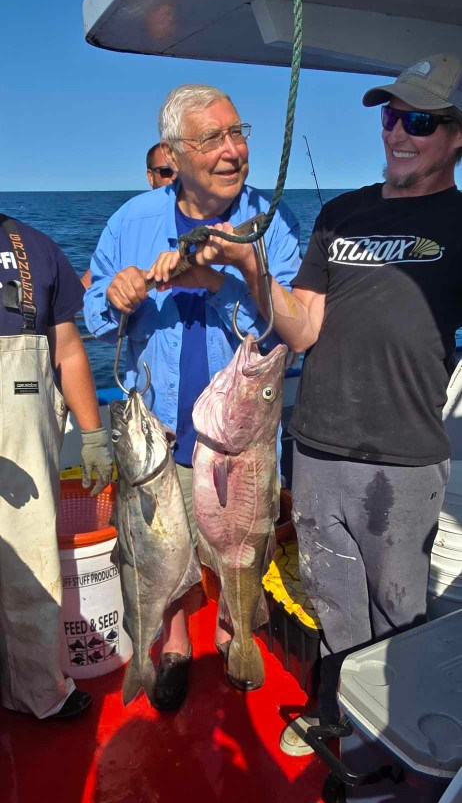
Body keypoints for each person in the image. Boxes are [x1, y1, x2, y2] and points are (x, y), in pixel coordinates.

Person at [265, 52, 462, 755]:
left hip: (402, 463)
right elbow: (305, 326)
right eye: (390, 116)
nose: (397, 133)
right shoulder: (340, 212)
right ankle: (338, 718)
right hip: (315, 447)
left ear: (458, 135)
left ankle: (393, 748)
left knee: (399, 611)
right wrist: (256, 273)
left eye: (421, 121)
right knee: (335, 601)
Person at [84, 82, 301, 711]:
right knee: (164, 545)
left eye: (239, 134)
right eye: (214, 139)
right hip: (162, 428)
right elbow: (95, 316)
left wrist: (216, 281)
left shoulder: (272, 221)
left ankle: (236, 625)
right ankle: (175, 643)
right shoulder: (132, 220)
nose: (234, 151)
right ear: (174, 155)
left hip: (242, 430)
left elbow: (290, 331)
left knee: (242, 534)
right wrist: (116, 296)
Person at [0, 214, 113, 719]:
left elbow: (67, 349)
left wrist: (92, 435)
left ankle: (37, 691)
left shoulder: (37, 247)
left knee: (31, 571)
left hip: (23, 430)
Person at [80, 144, 177, 291]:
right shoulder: (125, 219)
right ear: (150, 177)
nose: (175, 177)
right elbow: (94, 284)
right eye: (166, 171)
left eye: (183, 170)